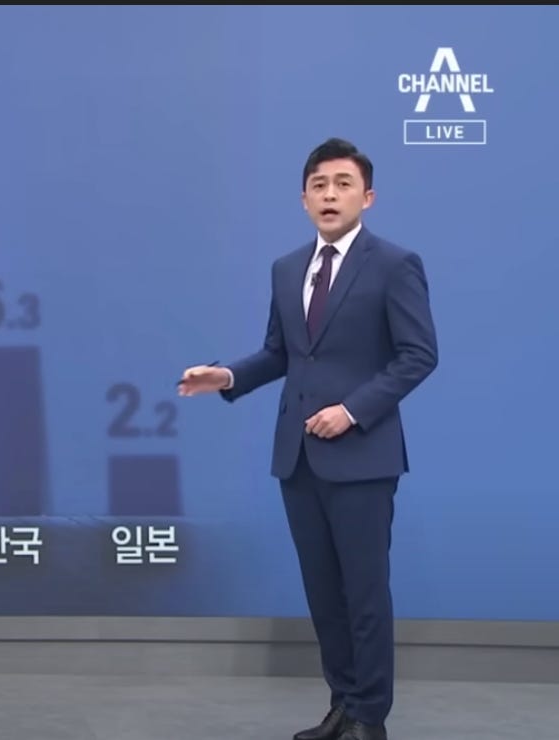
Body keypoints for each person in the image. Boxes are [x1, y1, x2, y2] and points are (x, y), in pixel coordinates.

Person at [177, 137, 438, 740]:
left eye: (343, 184)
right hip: (298, 459)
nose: (330, 194)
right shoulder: (288, 268)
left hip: (363, 458)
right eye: (319, 185)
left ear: (367, 197)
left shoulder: (395, 264)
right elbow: (281, 353)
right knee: (324, 595)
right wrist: (229, 376)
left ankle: (370, 718)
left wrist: (352, 411)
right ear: (303, 199)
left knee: (364, 594)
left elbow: (419, 354)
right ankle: (342, 705)